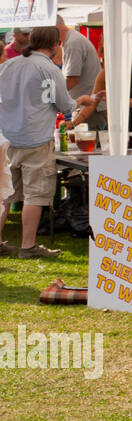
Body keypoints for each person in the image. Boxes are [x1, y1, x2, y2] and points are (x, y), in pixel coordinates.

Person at [0, 25, 78, 258]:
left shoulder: (8, 66)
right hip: (35, 138)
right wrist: (81, 101)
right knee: (35, 194)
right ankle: (28, 245)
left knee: (4, 194)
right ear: (56, 45)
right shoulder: (49, 69)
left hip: (6, 136)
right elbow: (65, 105)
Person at [55, 15, 105, 130]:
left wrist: (54, 98)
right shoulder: (71, 41)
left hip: (90, 109)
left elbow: (72, 80)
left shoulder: (73, 43)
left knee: (90, 146)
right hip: (86, 108)